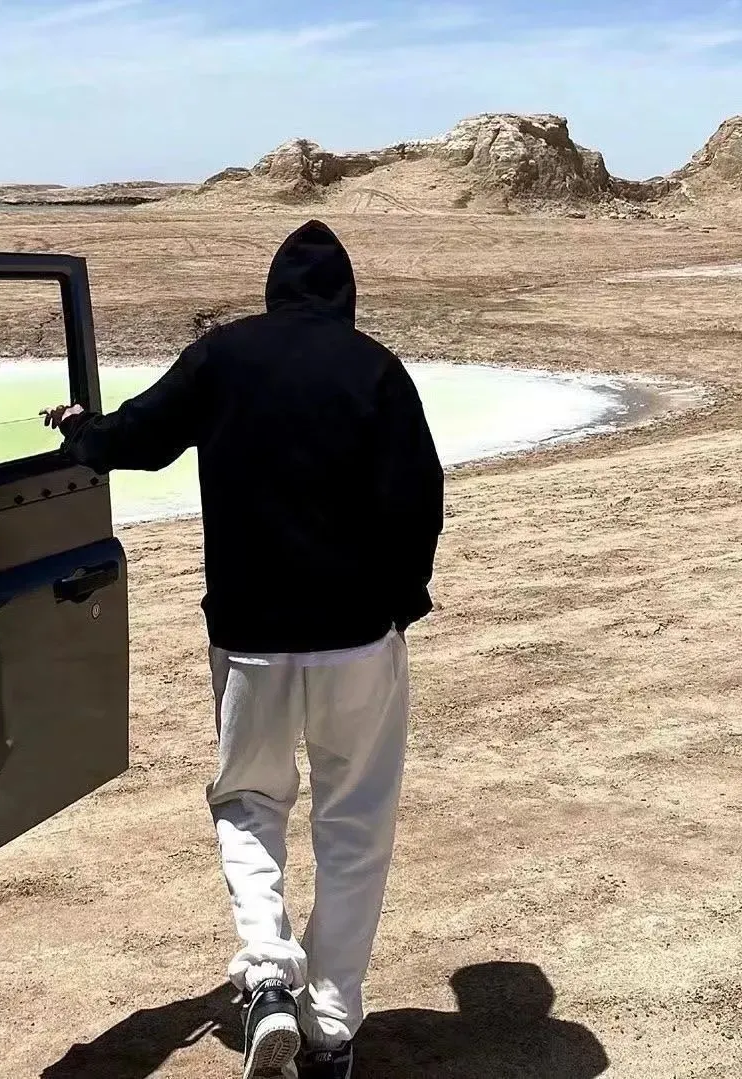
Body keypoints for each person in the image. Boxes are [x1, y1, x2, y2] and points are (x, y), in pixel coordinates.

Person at [43, 220, 444, 1079]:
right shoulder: (375, 368)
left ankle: (266, 979)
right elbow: (419, 499)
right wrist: (399, 607)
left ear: (273, 290)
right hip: (356, 640)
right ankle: (329, 1026)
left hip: (250, 637)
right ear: (345, 296)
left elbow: (140, 438)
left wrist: (82, 432)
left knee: (249, 802)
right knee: (353, 824)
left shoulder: (222, 357)